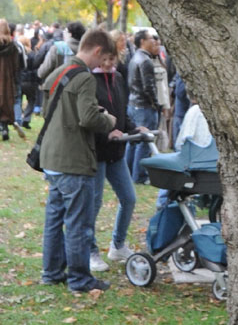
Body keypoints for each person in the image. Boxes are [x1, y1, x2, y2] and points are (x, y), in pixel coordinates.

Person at [40, 28, 118, 294]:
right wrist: (108, 120)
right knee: (78, 222)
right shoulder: (84, 77)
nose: (102, 65)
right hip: (73, 159)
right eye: (103, 58)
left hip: (51, 156)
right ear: (97, 51)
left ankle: (51, 272)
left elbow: (48, 109)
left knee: (55, 217)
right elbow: (88, 118)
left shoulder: (59, 71)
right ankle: (80, 279)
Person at [89, 34, 142, 271]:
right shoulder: (89, 79)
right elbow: (90, 117)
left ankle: (117, 245)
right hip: (97, 151)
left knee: (129, 198)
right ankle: (90, 251)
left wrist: (132, 127)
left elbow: (121, 111)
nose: (109, 64)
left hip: (116, 152)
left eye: (113, 59)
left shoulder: (118, 78)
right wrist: (106, 133)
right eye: (106, 59)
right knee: (95, 202)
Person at [126, 29, 164, 183]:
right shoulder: (145, 60)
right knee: (145, 141)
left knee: (133, 141)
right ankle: (140, 176)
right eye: (150, 39)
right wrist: (156, 104)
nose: (154, 41)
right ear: (142, 41)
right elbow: (148, 87)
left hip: (134, 104)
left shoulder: (136, 57)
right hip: (144, 106)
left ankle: (129, 171)